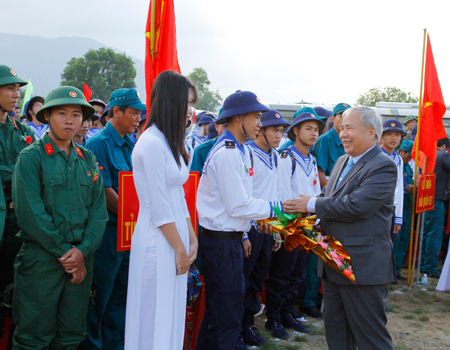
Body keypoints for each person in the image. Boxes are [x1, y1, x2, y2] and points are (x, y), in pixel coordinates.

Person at [283, 106, 397, 350]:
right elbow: (328, 196)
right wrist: (304, 211)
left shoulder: (383, 165)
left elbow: (358, 205)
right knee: (337, 334)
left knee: (370, 337)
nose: (342, 133)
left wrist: (312, 203)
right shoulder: (344, 160)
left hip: (361, 267)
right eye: (341, 127)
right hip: (334, 261)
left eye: (349, 128)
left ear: (371, 132)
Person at [12, 86, 108, 349]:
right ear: (46, 117)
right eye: (62, 113)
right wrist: (68, 254)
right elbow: (31, 214)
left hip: (80, 260)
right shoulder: (31, 157)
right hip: (42, 260)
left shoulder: (87, 159)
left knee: (70, 337)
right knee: (33, 338)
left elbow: (99, 214)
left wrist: (83, 252)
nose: (70, 120)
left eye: (77, 114)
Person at [195, 90, 281, 350]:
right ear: (238, 118)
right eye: (256, 117)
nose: (259, 123)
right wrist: (278, 209)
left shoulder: (238, 149)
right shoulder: (230, 152)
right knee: (227, 317)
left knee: (218, 314)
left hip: (225, 241)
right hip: (221, 244)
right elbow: (238, 205)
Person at [125, 71, 198, 350]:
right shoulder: (152, 143)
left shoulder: (171, 141)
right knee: (153, 314)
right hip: (158, 239)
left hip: (176, 235)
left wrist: (191, 237)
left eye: (192, 103)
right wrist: (179, 247)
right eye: (188, 102)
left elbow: (178, 195)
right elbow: (158, 205)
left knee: (172, 311)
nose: (191, 110)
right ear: (172, 100)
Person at [79, 88, 146, 350]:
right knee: (101, 296)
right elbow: (105, 192)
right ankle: (93, 345)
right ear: (116, 112)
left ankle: (115, 343)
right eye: (134, 112)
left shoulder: (131, 142)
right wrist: (140, 216)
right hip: (108, 233)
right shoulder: (99, 143)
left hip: (129, 231)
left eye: (140, 113)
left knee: (122, 295)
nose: (138, 118)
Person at [266, 111, 324, 339]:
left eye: (317, 129)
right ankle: (274, 318)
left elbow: (316, 193)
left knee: (297, 274)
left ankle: (288, 311)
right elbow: (279, 194)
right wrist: (281, 229)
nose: (313, 133)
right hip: (290, 225)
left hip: (307, 225)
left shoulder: (312, 159)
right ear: (296, 131)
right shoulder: (285, 157)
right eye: (308, 128)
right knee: (281, 274)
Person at [242, 109, 289, 346]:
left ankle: (248, 323)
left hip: (269, 227)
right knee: (245, 278)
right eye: (275, 130)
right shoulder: (248, 153)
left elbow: (278, 194)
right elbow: (244, 194)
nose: (279, 135)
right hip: (251, 226)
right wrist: (244, 232)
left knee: (258, 278)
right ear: (261, 129)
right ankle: (239, 326)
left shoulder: (276, 156)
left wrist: (279, 226)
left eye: (281, 131)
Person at [0, 65, 35, 293]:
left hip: (20, 222)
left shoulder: (24, 132)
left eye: (17, 89)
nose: (16, 95)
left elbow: (38, 170)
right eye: (9, 88)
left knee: (16, 286)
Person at [420, 137, 450, 279]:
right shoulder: (443, 155)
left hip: (426, 196)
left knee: (427, 233)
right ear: (444, 145)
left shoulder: (428, 154)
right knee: (435, 234)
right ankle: (430, 267)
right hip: (437, 198)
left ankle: (423, 263)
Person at [313, 103, 351, 188]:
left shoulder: (351, 140)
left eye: (348, 117)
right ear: (333, 119)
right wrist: (332, 194)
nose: (345, 120)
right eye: (342, 116)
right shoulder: (325, 140)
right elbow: (319, 173)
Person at [380, 119, 405, 242]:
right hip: (377, 209)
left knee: (389, 246)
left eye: (397, 135)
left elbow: (400, 188)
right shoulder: (376, 155)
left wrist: (398, 217)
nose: (393, 138)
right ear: (382, 136)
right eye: (389, 134)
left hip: (393, 209)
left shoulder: (399, 159)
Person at [394, 140, 414, 280]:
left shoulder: (408, 167)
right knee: (395, 239)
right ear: (402, 151)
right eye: (409, 155)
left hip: (407, 206)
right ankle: (390, 270)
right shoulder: (394, 163)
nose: (411, 158)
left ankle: (397, 269)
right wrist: (406, 188)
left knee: (404, 239)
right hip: (396, 207)